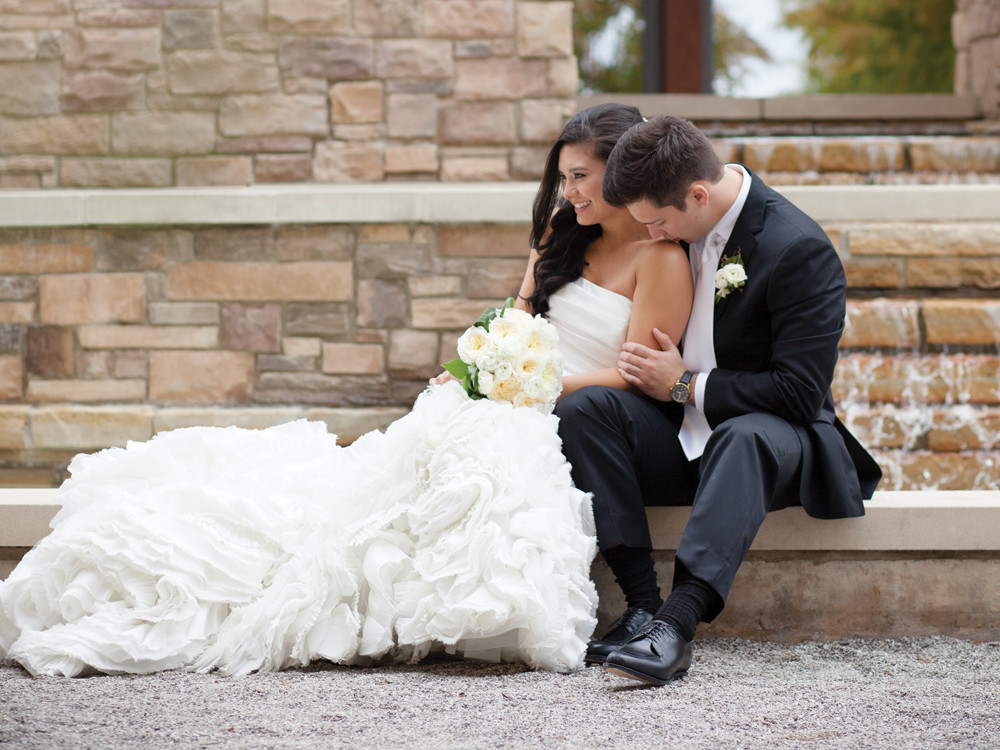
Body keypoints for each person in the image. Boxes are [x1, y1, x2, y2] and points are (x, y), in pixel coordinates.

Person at [0, 104, 692, 679]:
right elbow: (514, 320)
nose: (567, 191)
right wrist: (479, 366)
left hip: (566, 403)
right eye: (563, 177)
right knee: (392, 474)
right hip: (521, 395)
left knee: (492, 462)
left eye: (580, 176)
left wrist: (532, 386)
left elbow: (639, 373)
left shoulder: (658, 256)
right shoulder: (558, 238)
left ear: (623, 170)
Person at [557, 115, 883, 686]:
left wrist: (685, 386)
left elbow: (800, 393)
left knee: (745, 433)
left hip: (774, 441)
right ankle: (640, 606)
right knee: (585, 409)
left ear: (698, 195)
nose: (654, 236)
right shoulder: (680, 226)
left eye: (657, 222)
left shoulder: (797, 247)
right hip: (681, 440)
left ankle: (675, 627)